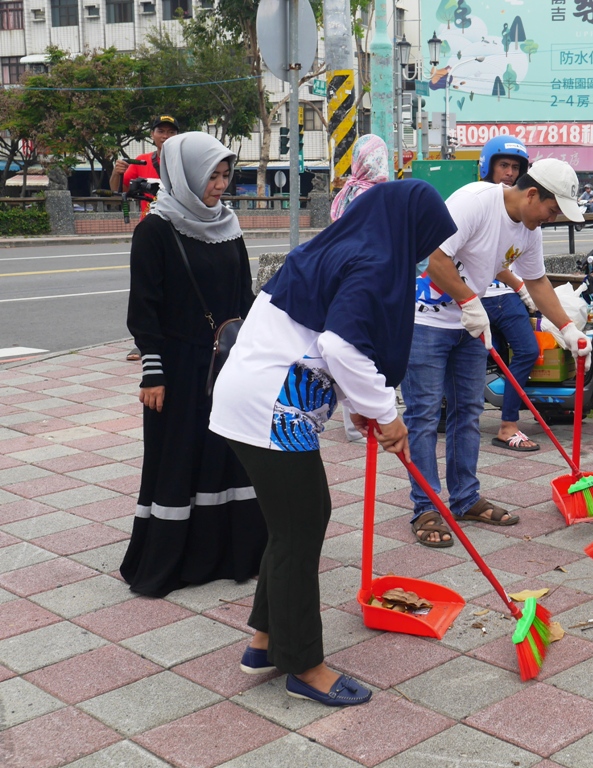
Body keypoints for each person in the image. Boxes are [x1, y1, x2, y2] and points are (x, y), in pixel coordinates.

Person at [209, 180, 456, 706]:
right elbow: (340, 344)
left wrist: (364, 407)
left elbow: (317, 337)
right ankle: (304, 666)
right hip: (272, 408)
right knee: (301, 528)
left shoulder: (342, 246)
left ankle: (265, 638)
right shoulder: (373, 262)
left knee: (293, 524)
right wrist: (387, 415)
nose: (420, 253)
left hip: (253, 397)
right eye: (424, 239)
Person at [405, 159, 592, 546]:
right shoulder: (475, 202)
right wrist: (469, 301)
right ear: (531, 193)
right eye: (551, 209)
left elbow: (537, 280)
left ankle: (465, 498)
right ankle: (426, 507)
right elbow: (434, 258)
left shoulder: (529, 228)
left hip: (471, 326)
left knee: (468, 411)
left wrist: (567, 328)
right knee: (423, 415)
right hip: (426, 321)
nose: (550, 218)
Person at [120, 132, 266, 599]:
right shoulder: (156, 230)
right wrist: (153, 373)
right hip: (179, 369)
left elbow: (243, 299)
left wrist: (253, 359)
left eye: (225, 175)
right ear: (185, 175)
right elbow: (144, 308)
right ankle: (172, 561)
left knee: (226, 455)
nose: (220, 185)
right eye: (211, 176)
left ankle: (228, 554)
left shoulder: (228, 224)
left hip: (225, 363)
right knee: (178, 456)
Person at [475, 135, 543, 452]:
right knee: (517, 352)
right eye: (503, 165)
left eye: (515, 167)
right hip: (481, 295)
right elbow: (485, 256)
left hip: (500, 295)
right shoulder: (478, 202)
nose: (509, 173)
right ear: (487, 167)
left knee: (526, 351)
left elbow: (533, 271)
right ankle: (506, 425)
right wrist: (519, 286)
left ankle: (508, 422)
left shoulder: (520, 213)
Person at [329, 134, 389, 442]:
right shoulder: (375, 197)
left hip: (344, 278)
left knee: (350, 345)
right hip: (366, 280)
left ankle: (355, 419)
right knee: (360, 348)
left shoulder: (349, 192)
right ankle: (364, 421)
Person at [116, 115, 180, 362]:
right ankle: (143, 342)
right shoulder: (142, 161)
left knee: (175, 286)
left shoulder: (184, 161)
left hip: (179, 229)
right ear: (152, 134)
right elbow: (120, 189)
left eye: (171, 132)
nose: (165, 136)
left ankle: (172, 335)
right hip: (150, 231)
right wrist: (116, 171)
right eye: (161, 131)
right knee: (145, 288)